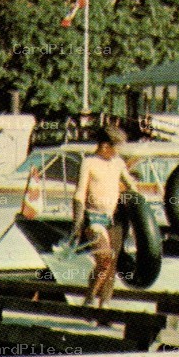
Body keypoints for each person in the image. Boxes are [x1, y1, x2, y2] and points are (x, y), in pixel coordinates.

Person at [72, 125, 139, 311]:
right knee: (104, 258)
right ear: (104, 146)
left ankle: (105, 305)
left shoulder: (118, 163)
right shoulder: (89, 162)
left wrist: (137, 199)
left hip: (113, 218)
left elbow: (129, 183)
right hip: (94, 218)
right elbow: (79, 194)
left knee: (113, 262)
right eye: (116, 147)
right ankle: (89, 298)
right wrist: (77, 222)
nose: (119, 151)